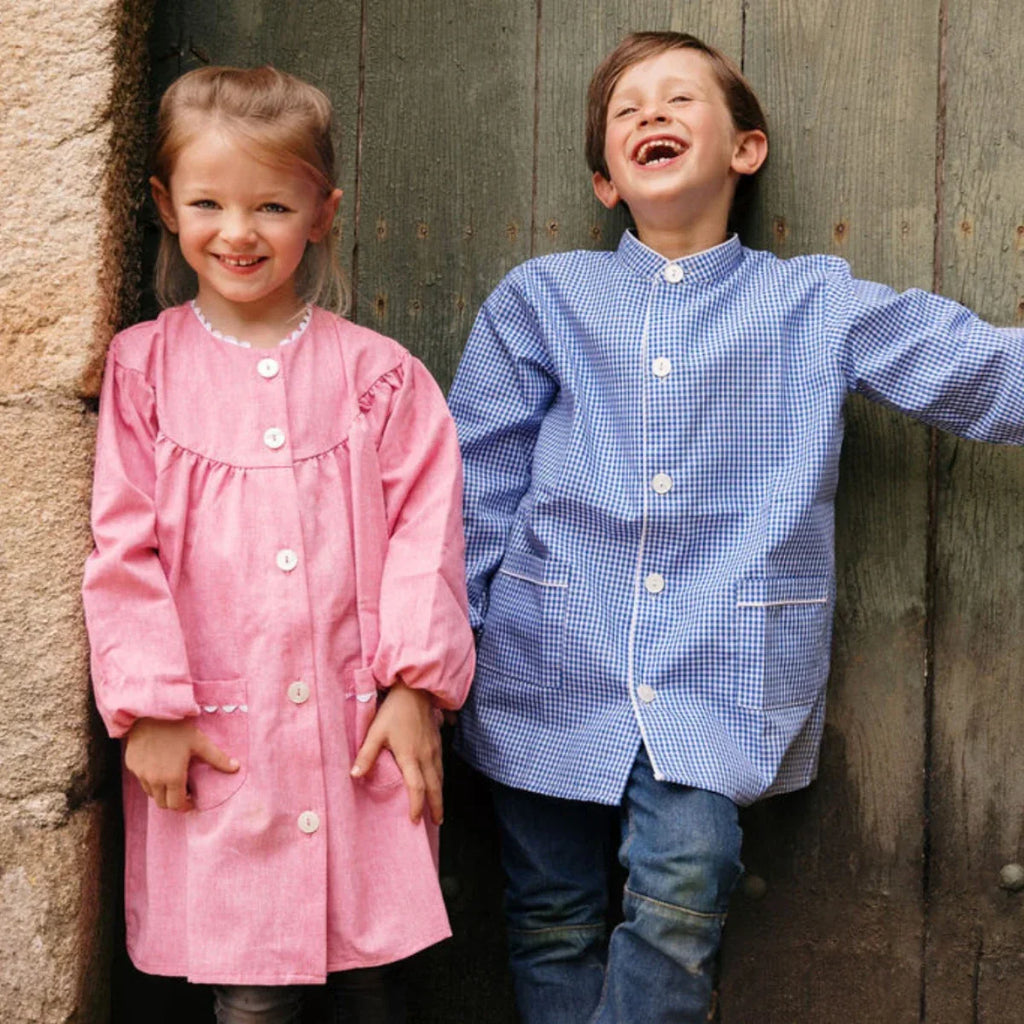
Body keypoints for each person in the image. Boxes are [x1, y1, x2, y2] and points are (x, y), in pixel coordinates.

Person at [447, 30, 1024, 1024]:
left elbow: (964, 365)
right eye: (627, 111)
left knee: (683, 889)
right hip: (545, 661)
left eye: (679, 100)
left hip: (716, 667)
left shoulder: (814, 302)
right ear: (603, 182)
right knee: (549, 916)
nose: (651, 116)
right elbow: (474, 483)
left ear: (744, 148)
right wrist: (440, 651)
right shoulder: (540, 302)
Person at [82, 65, 474, 1024]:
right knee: (251, 995)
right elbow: (120, 544)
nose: (239, 231)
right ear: (164, 206)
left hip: (358, 738)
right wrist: (149, 709)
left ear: (322, 211)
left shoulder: (380, 379)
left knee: (374, 985)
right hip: (220, 736)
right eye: (208, 202)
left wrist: (415, 688)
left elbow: (429, 533)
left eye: (272, 205)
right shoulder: (145, 372)